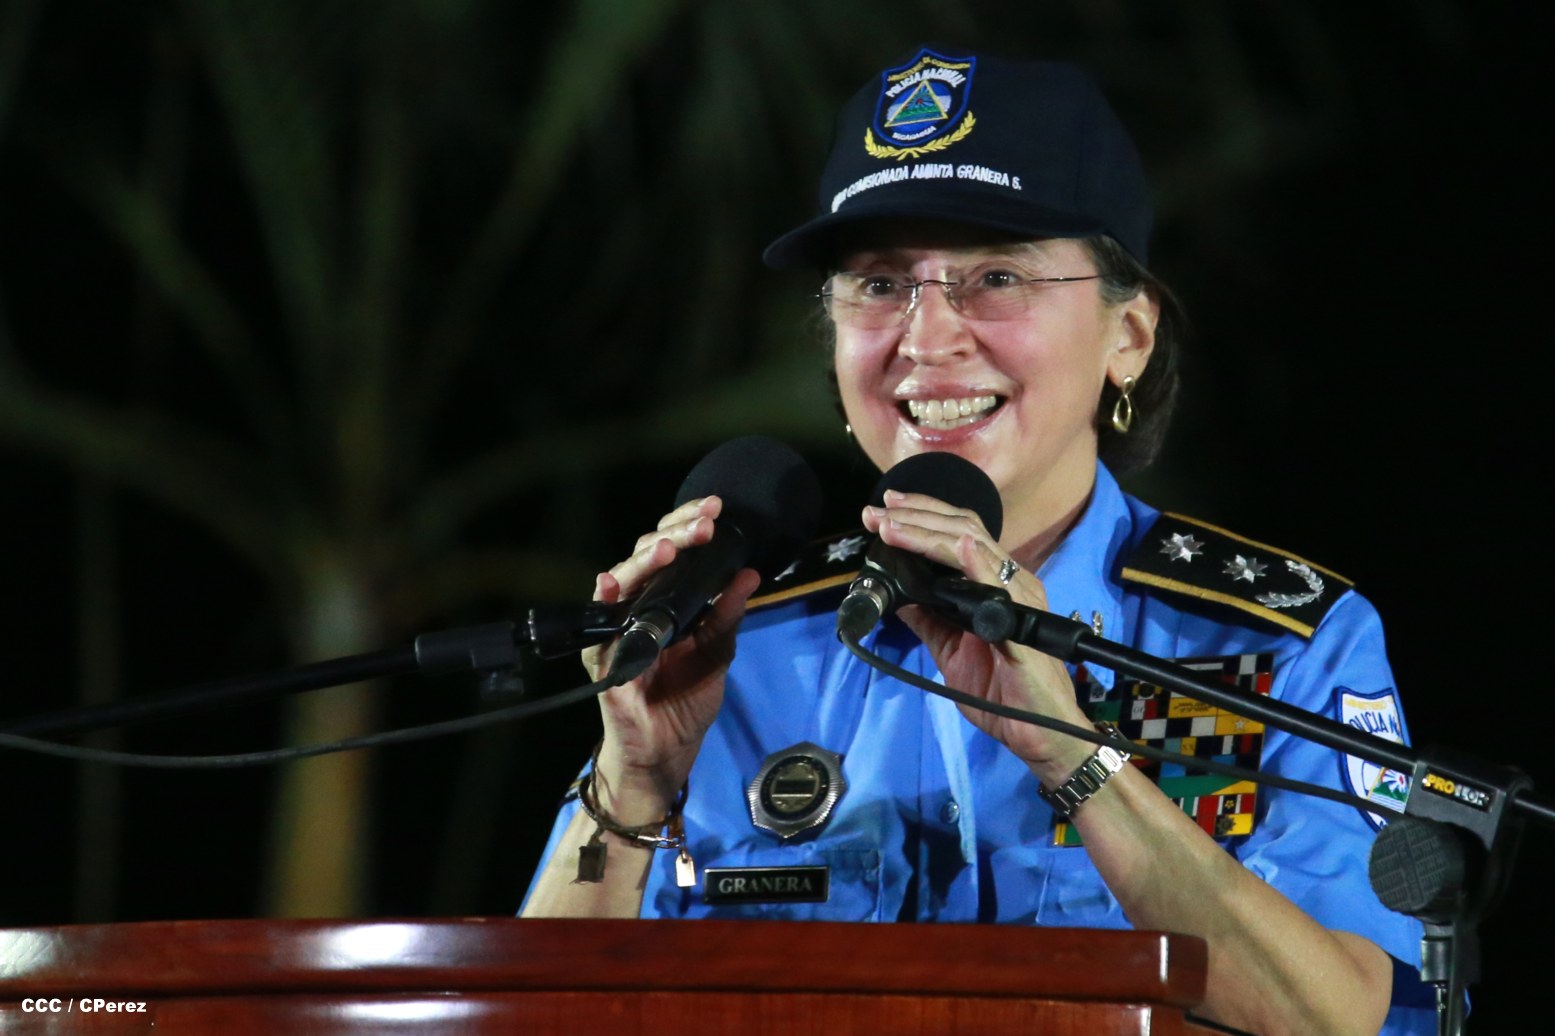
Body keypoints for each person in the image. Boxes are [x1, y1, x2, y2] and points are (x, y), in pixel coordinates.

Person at [521, 46, 1431, 1035]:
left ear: (1128, 336)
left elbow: (1338, 1020)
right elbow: (531, 1015)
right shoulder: (733, 642)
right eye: (878, 284)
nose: (925, 338)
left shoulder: (1265, 642)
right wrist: (632, 784)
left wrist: (1076, 759)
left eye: (996, 276)